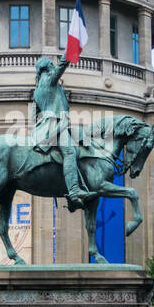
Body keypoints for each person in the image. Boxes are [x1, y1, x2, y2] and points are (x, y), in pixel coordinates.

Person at [31, 56, 91, 207]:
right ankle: (74, 191)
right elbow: (62, 65)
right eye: (51, 65)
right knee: (70, 152)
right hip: (54, 125)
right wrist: (70, 50)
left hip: (44, 126)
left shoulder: (37, 90)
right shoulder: (49, 80)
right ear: (48, 67)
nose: (53, 67)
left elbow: (34, 116)